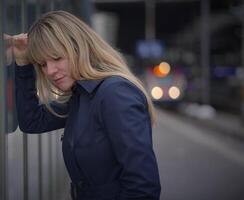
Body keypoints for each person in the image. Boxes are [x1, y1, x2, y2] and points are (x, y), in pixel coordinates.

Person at [12, 10, 161, 200]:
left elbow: (143, 187)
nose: (49, 71)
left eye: (57, 58)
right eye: (42, 64)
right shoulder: (82, 95)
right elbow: (32, 121)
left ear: (78, 48)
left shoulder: (114, 94)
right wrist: (23, 62)